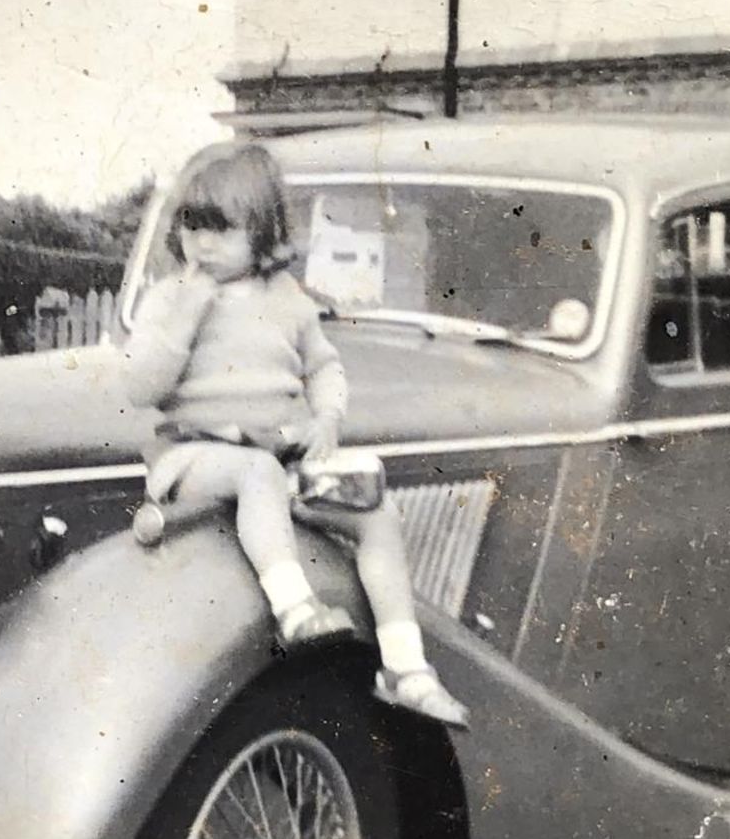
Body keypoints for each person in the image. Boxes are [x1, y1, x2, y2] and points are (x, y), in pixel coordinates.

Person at [119, 143, 469, 727]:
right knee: (255, 473)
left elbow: (324, 367)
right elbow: (140, 386)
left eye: (220, 230)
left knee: (374, 511)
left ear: (262, 231)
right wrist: (185, 316)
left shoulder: (288, 301)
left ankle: (406, 667)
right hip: (192, 460)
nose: (201, 244)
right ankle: (295, 608)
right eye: (192, 226)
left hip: (275, 462)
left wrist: (326, 417)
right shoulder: (169, 298)